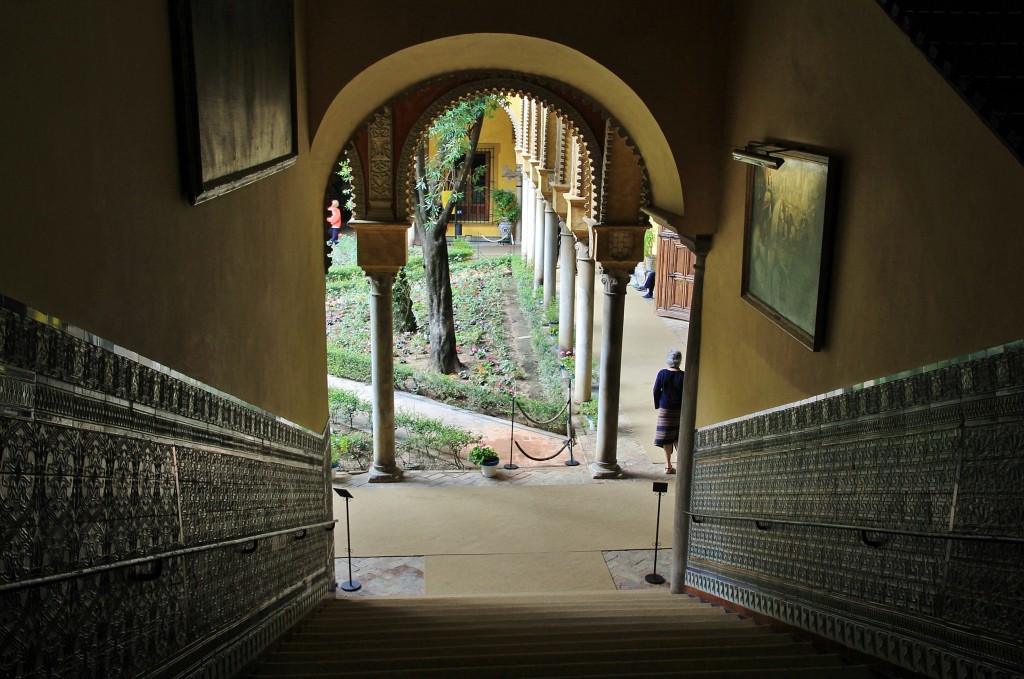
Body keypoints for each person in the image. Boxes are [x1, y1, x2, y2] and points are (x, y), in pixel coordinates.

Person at [652, 348, 685, 474]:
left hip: (666, 410)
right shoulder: (683, 376)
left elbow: (656, 391)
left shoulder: (662, 373)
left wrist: (658, 404)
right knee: (678, 435)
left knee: (666, 436)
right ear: (679, 361)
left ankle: (668, 465)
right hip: (680, 410)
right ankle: (681, 462)